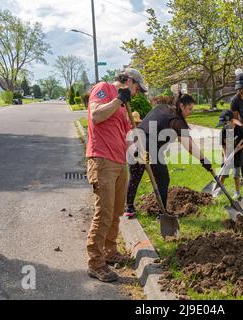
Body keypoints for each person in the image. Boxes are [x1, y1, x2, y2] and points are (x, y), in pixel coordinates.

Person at [86, 68, 147, 282]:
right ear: (128, 81)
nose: (137, 93)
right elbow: (95, 116)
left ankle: (110, 251)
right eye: (137, 88)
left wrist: (137, 146)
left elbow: (125, 132)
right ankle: (95, 263)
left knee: (116, 211)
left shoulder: (125, 105)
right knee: (104, 212)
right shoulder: (104, 89)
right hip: (102, 160)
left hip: (120, 162)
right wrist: (118, 100)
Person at [124, 94, 212, 218]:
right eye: (189, 109)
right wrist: (204, 160)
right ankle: (162, 212)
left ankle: (129, 208)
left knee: (134, 178)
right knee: (163, 179)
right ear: (181, 105)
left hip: (134, 142)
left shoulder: (161, 107)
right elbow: (190, 146)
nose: (190, 112)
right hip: (150, 147)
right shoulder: (176, 120)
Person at [212, 110, 243, 199]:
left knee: (235, 175)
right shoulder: (224, 131)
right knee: (223, 174)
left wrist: (240, 146)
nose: (225, 126)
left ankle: (237, 192)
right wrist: (225, 156)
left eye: (226, 123)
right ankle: (218, 190)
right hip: (227, 154)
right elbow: (223, 145)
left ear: (232, 121)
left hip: (237, 155)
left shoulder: (239, 129)